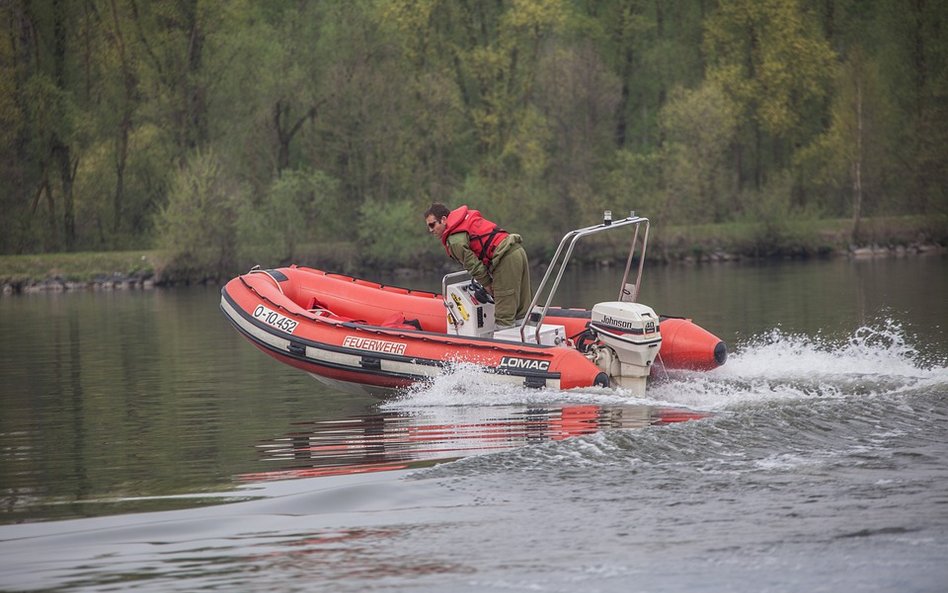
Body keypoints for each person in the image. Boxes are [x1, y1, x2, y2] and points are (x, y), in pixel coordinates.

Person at [424, 202, 531, 328]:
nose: (431, 230)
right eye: (428, 227)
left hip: (505, 258)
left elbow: (472, 264)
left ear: (443, 220)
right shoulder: (465, 220)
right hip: (517, 250)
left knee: (504, 316)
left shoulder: (455, 241)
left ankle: (505, 341)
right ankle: (529, 338)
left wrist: (487, 284)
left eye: (432, 225)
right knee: (522, 309)